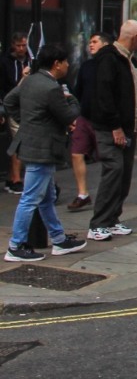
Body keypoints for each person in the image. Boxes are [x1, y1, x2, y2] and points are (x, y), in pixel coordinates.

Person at [4, 44, 88, 262]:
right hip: (43, 149)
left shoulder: (30, 80)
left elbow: (9, 101)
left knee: (47, 197)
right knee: (30, 198)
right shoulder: (52, 88)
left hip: (33, 144)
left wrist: (26, 123)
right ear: (57, 64)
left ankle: (59, 239)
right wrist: (71, 98)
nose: (68, 65)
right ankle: (15, 246)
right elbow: (69, 115)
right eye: (66, 61)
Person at [88, 20, 137, 242]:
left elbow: (135, 89)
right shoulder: (109, 59)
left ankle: (112, 219)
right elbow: (105, 96)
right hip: (111, 129)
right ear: (135, 37)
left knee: (123, 175)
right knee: (113, 171)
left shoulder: (129, 60)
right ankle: (98, 224)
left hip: (128, 127)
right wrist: (115, 127)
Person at [67, 32, 111, 212]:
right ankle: (83, 194)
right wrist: (73, 116)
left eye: (95, 42)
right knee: (76, 153)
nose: (90, 45)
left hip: (104, 121)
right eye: (89, 42)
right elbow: (78, 92)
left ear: (105, 44)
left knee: (108, 160)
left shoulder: (110, 65)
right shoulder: (86, 66)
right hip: (84, 118)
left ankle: (107, 195)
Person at [0, 31, 30, 194]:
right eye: (18, 45)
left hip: (27, 104)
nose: (21, 49)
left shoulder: (30, 60)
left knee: (20, 140)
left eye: (24, 45)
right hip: (13, 105)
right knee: (18, 141)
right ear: (13, 45)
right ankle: (16, 179)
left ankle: (12, 178)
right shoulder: (5, 62)